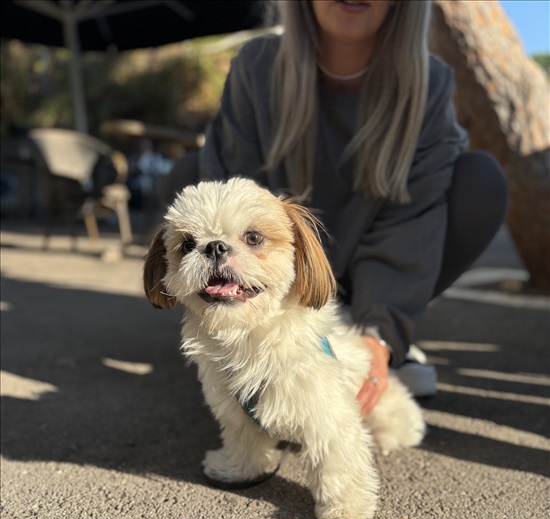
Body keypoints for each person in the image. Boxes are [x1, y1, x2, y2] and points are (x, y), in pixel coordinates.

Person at [163, 0, 507, 414]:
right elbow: (233, 200)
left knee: (480, 183)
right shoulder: (256, 66)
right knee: (185, 177)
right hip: (273, 279)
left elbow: (412, 220)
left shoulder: (430, 83)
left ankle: (383, 333)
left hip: (372, 274)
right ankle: (239, 328)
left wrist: (378, 337)